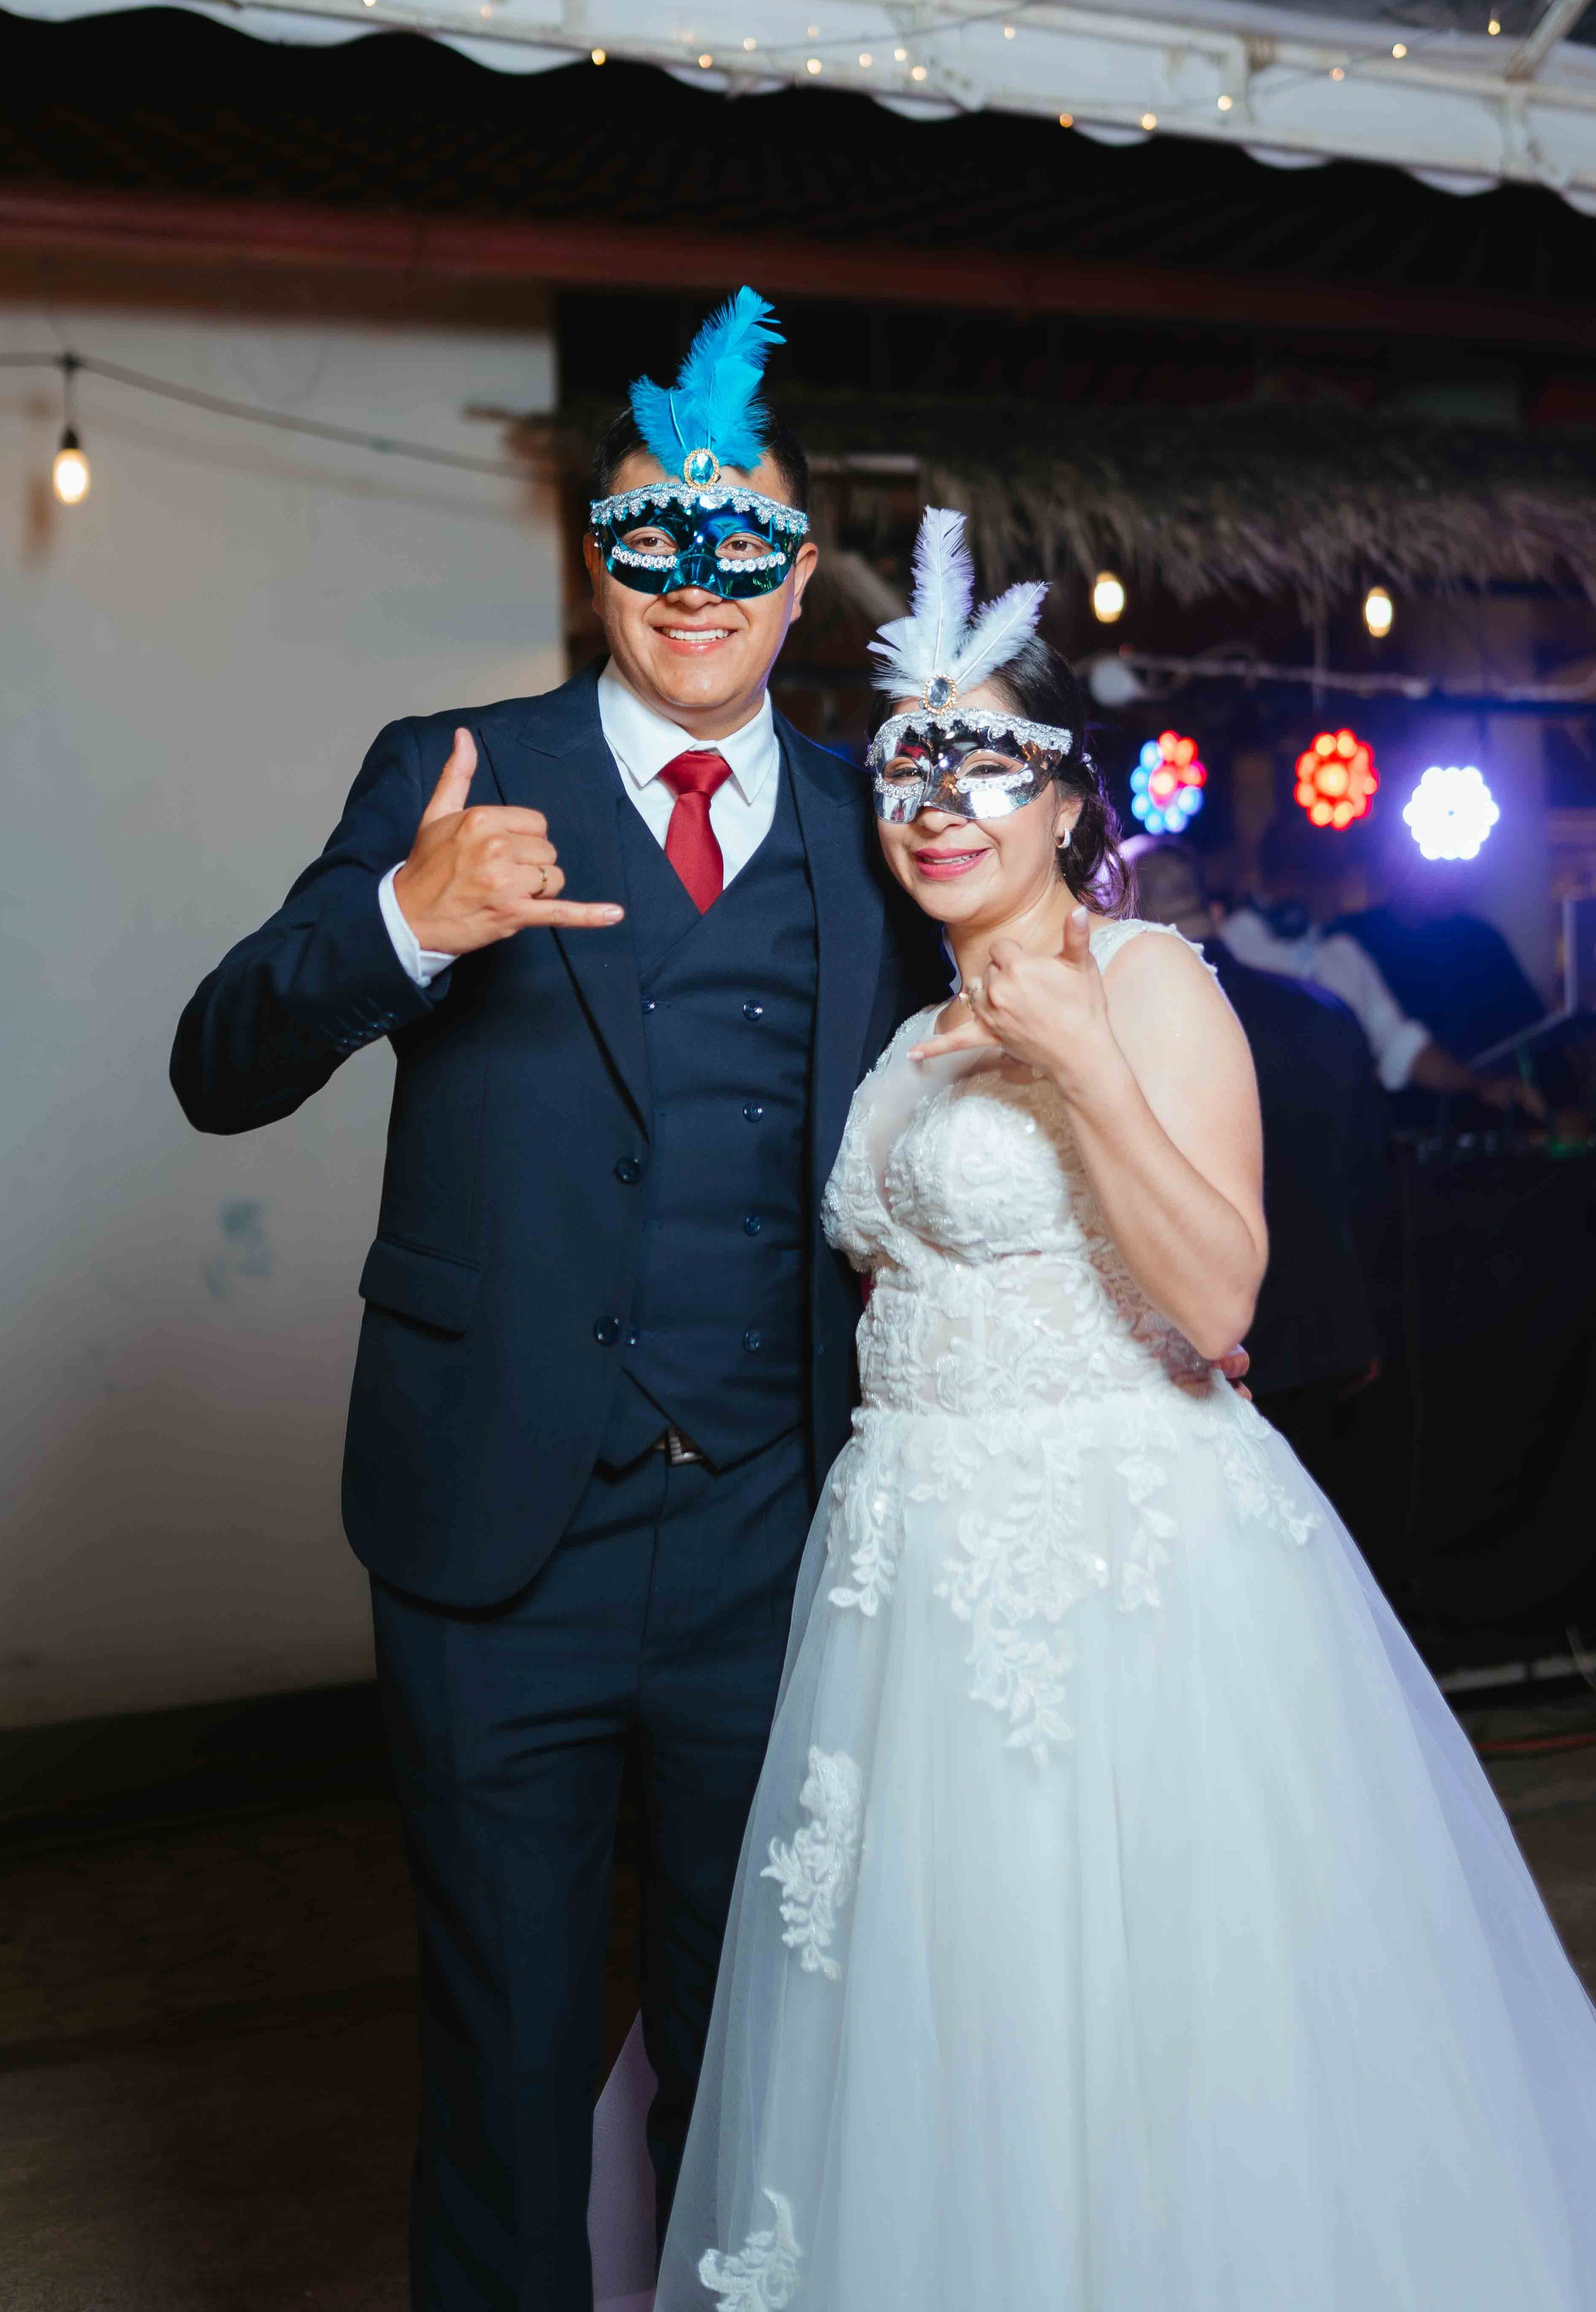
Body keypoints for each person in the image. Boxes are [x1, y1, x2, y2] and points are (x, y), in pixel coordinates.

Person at [657, 512, 1596, 2312]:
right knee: (947, 2013)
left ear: (1069, 799)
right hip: (906, 1583)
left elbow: (1219, 1297)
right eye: (905, 771)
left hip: (1116, 1571)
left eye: (982, 765)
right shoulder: (898, 1036)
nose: (936, 804)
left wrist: (1082, 1061)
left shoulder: (1148, 983)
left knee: (1136, 2010)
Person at [170, 292, 954, 2312]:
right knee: (505, 2073)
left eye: (740, 541)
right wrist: (402, 923)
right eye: (650, 534)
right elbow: (217, 1062)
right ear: (597, 559)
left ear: (798, 575)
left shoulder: (879, 827)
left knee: (756, 2067)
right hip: (491, 1536)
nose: (695, 578)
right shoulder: (454, 768)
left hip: (772, 1546)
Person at [1127, 836, 1390, 1493]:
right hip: (1328, 1340)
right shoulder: (1324, 1012)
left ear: (1126, 914)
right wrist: (1369, 1323)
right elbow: (1376, 1188)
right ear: (1215, 910)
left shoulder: (1131, 1026)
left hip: (1198, 1348)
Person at [1220, 820, 1541, 1118]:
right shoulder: (1225, 951)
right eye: (1336, 882)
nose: (1342, 896)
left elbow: (1403, 1048)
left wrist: (1481, 1086)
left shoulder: (1341, 955)